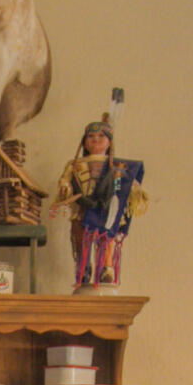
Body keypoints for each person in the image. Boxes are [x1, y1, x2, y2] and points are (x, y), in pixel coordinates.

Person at [53, 111, 149, 291]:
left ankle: (107, 268)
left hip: (107, 208)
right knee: (81, 236)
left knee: (108, 238)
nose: (95, 140)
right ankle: (84, 268)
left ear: (109, 142)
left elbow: (125, 184)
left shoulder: (118, 166)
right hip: (83, 207)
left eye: (100, 136)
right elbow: (65, 180)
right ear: (84, 141)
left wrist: (134, 188)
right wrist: (65, 188)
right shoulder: (74, 164)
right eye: (91, 136)